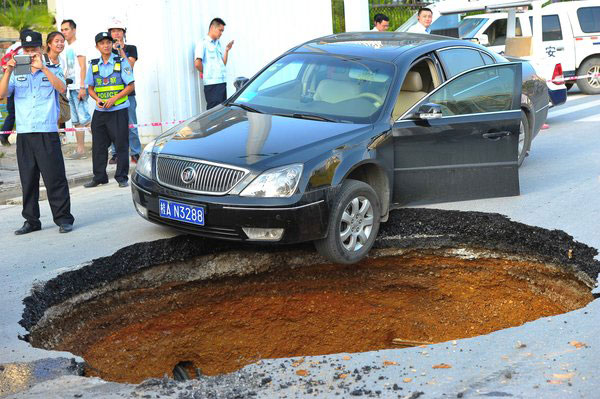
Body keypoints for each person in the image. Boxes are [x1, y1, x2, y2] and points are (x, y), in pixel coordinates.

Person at [0, 30, 75, 234]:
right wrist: (7, 71)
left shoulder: (52, 68)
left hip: (46, 131)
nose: (31, 52)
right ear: (23, 50)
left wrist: (43, 68)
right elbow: (2, 94)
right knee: (28, 179)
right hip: (24, 134)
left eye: (34, 49)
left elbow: (61, 88)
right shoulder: (17, 72)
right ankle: (31, 221)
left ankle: (63, 219)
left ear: (42, 49)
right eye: (27, 49)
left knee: (55, 178)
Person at [83, 32, 135, 189]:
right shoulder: (93, 65)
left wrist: (114, 99)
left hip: (118, 109)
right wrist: (96, 99)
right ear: (97, 46)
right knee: (98, 145)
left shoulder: (121, 62)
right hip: (101, 111)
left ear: (112, 44)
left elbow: (131, 86)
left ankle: (121, 177)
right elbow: (90, 88)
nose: (105, 45)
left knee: (121, 144)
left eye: (108, 42)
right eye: (102, 43)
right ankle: (99, 177)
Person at [107, 18, 141, 165]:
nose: (116, 33)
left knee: (131, 124)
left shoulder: (131, 48)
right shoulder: (106, 50)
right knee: (113, 126)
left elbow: (129, 66)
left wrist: (120, 49)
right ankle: (115, 154)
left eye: (119, 31)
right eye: (113, 31)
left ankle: (135, 152)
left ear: (123, 33)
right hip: (112, 92)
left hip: (128, 92)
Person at [61, 19, 90, 159]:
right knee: (76, 121)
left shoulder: (79, 45)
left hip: (79, 87)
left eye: (66, 29)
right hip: (70, 88)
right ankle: (80, 150)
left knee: (85, 119)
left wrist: (83, 86)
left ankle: (106, 146)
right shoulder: (66, 47)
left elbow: (83, 66)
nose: (63, 32)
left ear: (74, 30)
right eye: (62, 30)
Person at [194, 18, 234, 110]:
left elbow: (222, 64)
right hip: (212, 84)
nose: (221, 33)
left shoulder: (218, 44)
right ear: (212, 28)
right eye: (220, 30)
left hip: (221, 82)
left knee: (221, 112)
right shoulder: (203, 43)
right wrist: (208, 72)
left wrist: (227, 51)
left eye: (222, 31)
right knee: (213, 114)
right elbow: (197, 63)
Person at [0, 30, 30, 146]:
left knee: (11, 112)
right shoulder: (24, 50)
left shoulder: (11, 48)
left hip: (9, 82)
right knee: (15, 112)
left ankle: (4, 135)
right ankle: (4, 135)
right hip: (23, 85)